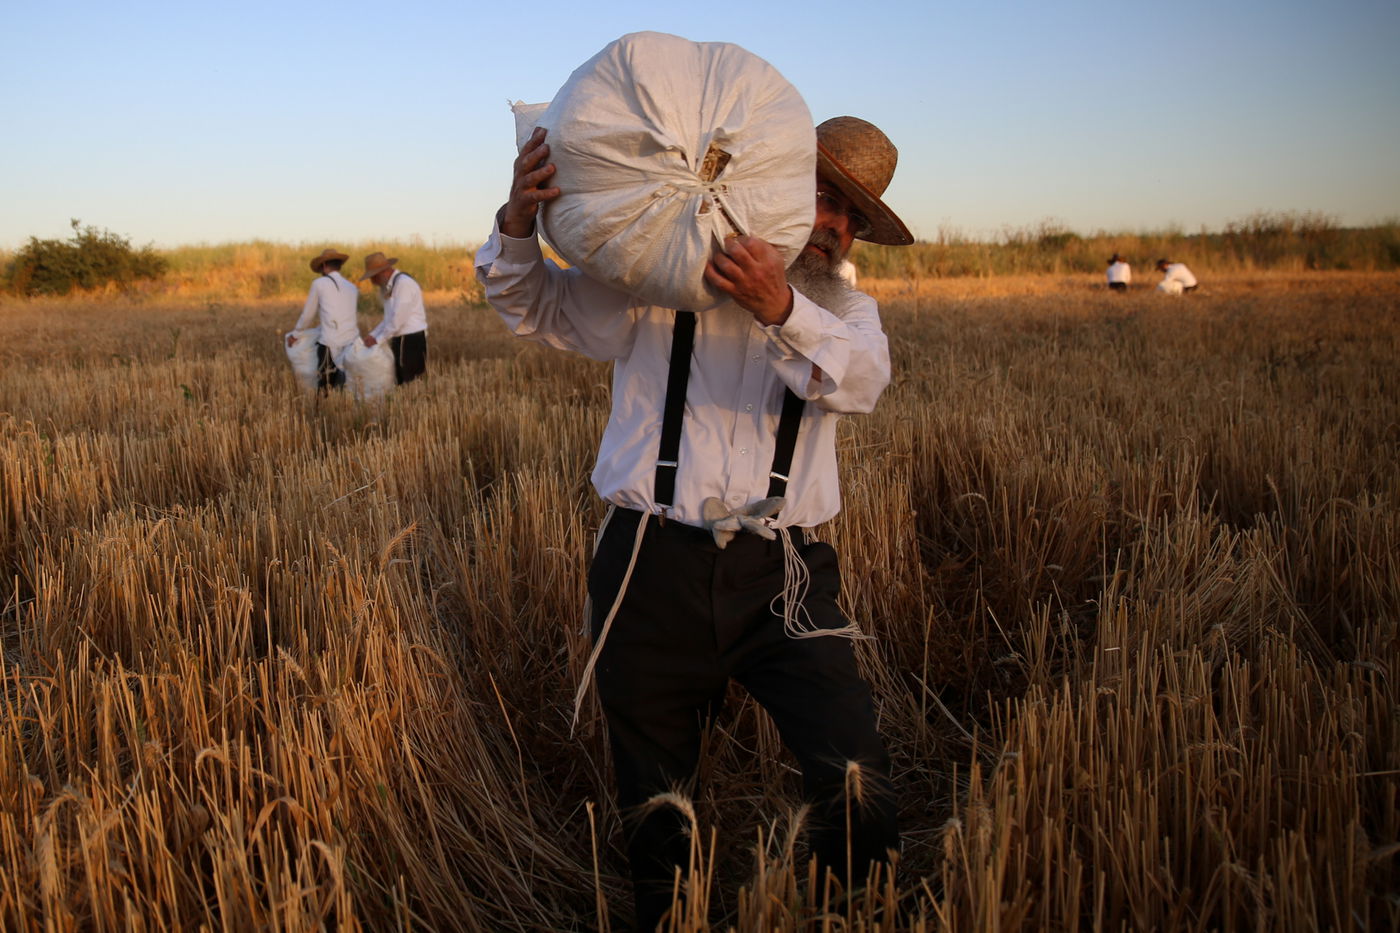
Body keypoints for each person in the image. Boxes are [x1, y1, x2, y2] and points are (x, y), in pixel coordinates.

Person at [475, 115, 912, 929]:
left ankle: (856, 911)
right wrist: (517, 223)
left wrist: (781, 307)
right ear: (770, 187)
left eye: (852, 216)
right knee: (658, 798)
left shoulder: (849, 313)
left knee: (853, 764)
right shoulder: (658, 282)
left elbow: (859, 382)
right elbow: (531, 304)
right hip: (650, 561)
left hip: (786, 570)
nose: (834, 225)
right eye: (820, 196)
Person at [287, 248, 360, 391]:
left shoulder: (319, 283)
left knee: (325, 386)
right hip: (352, 342)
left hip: (329, 342)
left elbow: (308, 315)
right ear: (339, 265)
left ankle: (323, 411)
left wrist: (295, 335)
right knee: (348, 385)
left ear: (324, 265)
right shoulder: (352, 287)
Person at [360, 252, 428, 383]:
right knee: (401, 379)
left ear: (382, 272)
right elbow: (389, 318)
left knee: (409, 381)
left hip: (410, 341)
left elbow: (397, 320)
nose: (373, 282)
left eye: (373, 278)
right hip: (402, 340)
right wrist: (373, 335)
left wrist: (378, 340)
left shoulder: (403, 284)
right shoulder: (393, 285)